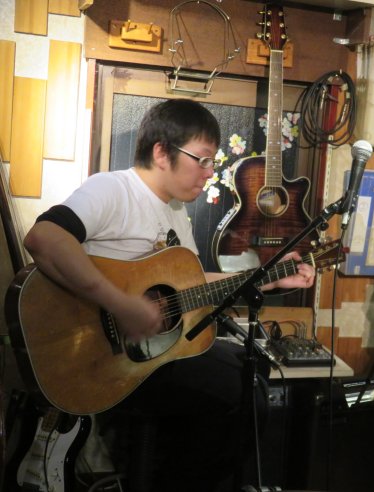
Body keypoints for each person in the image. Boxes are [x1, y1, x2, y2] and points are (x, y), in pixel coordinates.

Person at [22, 98, 316, 491]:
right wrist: (120, 303)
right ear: (162, 152)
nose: (209, 173)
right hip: (104, 358)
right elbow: (43, 237)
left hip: (152, 354)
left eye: (212, 162)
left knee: (253, 368)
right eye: (203, 159)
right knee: (244, 393)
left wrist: (269, 279)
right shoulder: (113, 188)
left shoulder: (175, 210)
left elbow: (192, 284)